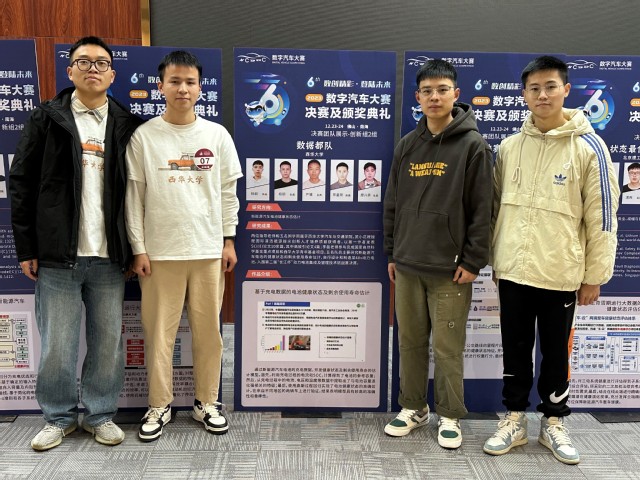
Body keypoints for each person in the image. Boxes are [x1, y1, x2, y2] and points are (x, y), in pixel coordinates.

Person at [483, 56, 619, 465]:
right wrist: (496, 260)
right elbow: (494, 209)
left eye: (550, 86)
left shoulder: (589, 147)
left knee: (556, 354)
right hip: (513, 270)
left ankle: (554, 422)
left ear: (566, 90)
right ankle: (514, 419)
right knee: (514, 350)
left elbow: (603, 217)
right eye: (534, 88)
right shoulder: (510, 147)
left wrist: (594, 275)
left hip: (560, 272)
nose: (542, 95)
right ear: (524, 94)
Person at [9, 36, 143, 451]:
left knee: (107, 345)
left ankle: (100, 415)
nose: (92, 69)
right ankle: (59, 418)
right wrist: (27, 247)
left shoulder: (127, 123)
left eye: (101, 63)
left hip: (109, 257)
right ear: (69, 71)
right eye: (83, 62)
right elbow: (21, 183)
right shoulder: (46, 118)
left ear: (112, 74)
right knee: (57, 347)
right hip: (57, 256)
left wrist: (133, 247)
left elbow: (140, 192)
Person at [125, 50, 242, 442]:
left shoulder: (217, 135)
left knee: (209, 333)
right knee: (160, 335)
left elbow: (228, 194)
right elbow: (134, 198)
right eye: (174, 81)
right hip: (160, 254)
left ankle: (206, 402)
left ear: (200, 87)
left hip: (208, 251)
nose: (182, 89)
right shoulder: (144, 136)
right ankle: (159, 404)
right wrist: (139, 248)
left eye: (190, 82)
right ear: (161, 86)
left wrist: (228, 239)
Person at [382, 59, 493, 449]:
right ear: (417, 97)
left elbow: (483, 209)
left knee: (447, 348)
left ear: (455, 94)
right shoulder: (407, 146)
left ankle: (450, 413)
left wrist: (473, 260)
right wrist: (393, 252)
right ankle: (413, 407)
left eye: (442, 90)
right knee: (410, 342)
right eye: (427, 91)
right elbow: (392, 203)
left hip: (451, 269)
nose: (434, 97)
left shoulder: (474, 146)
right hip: (408, 264)